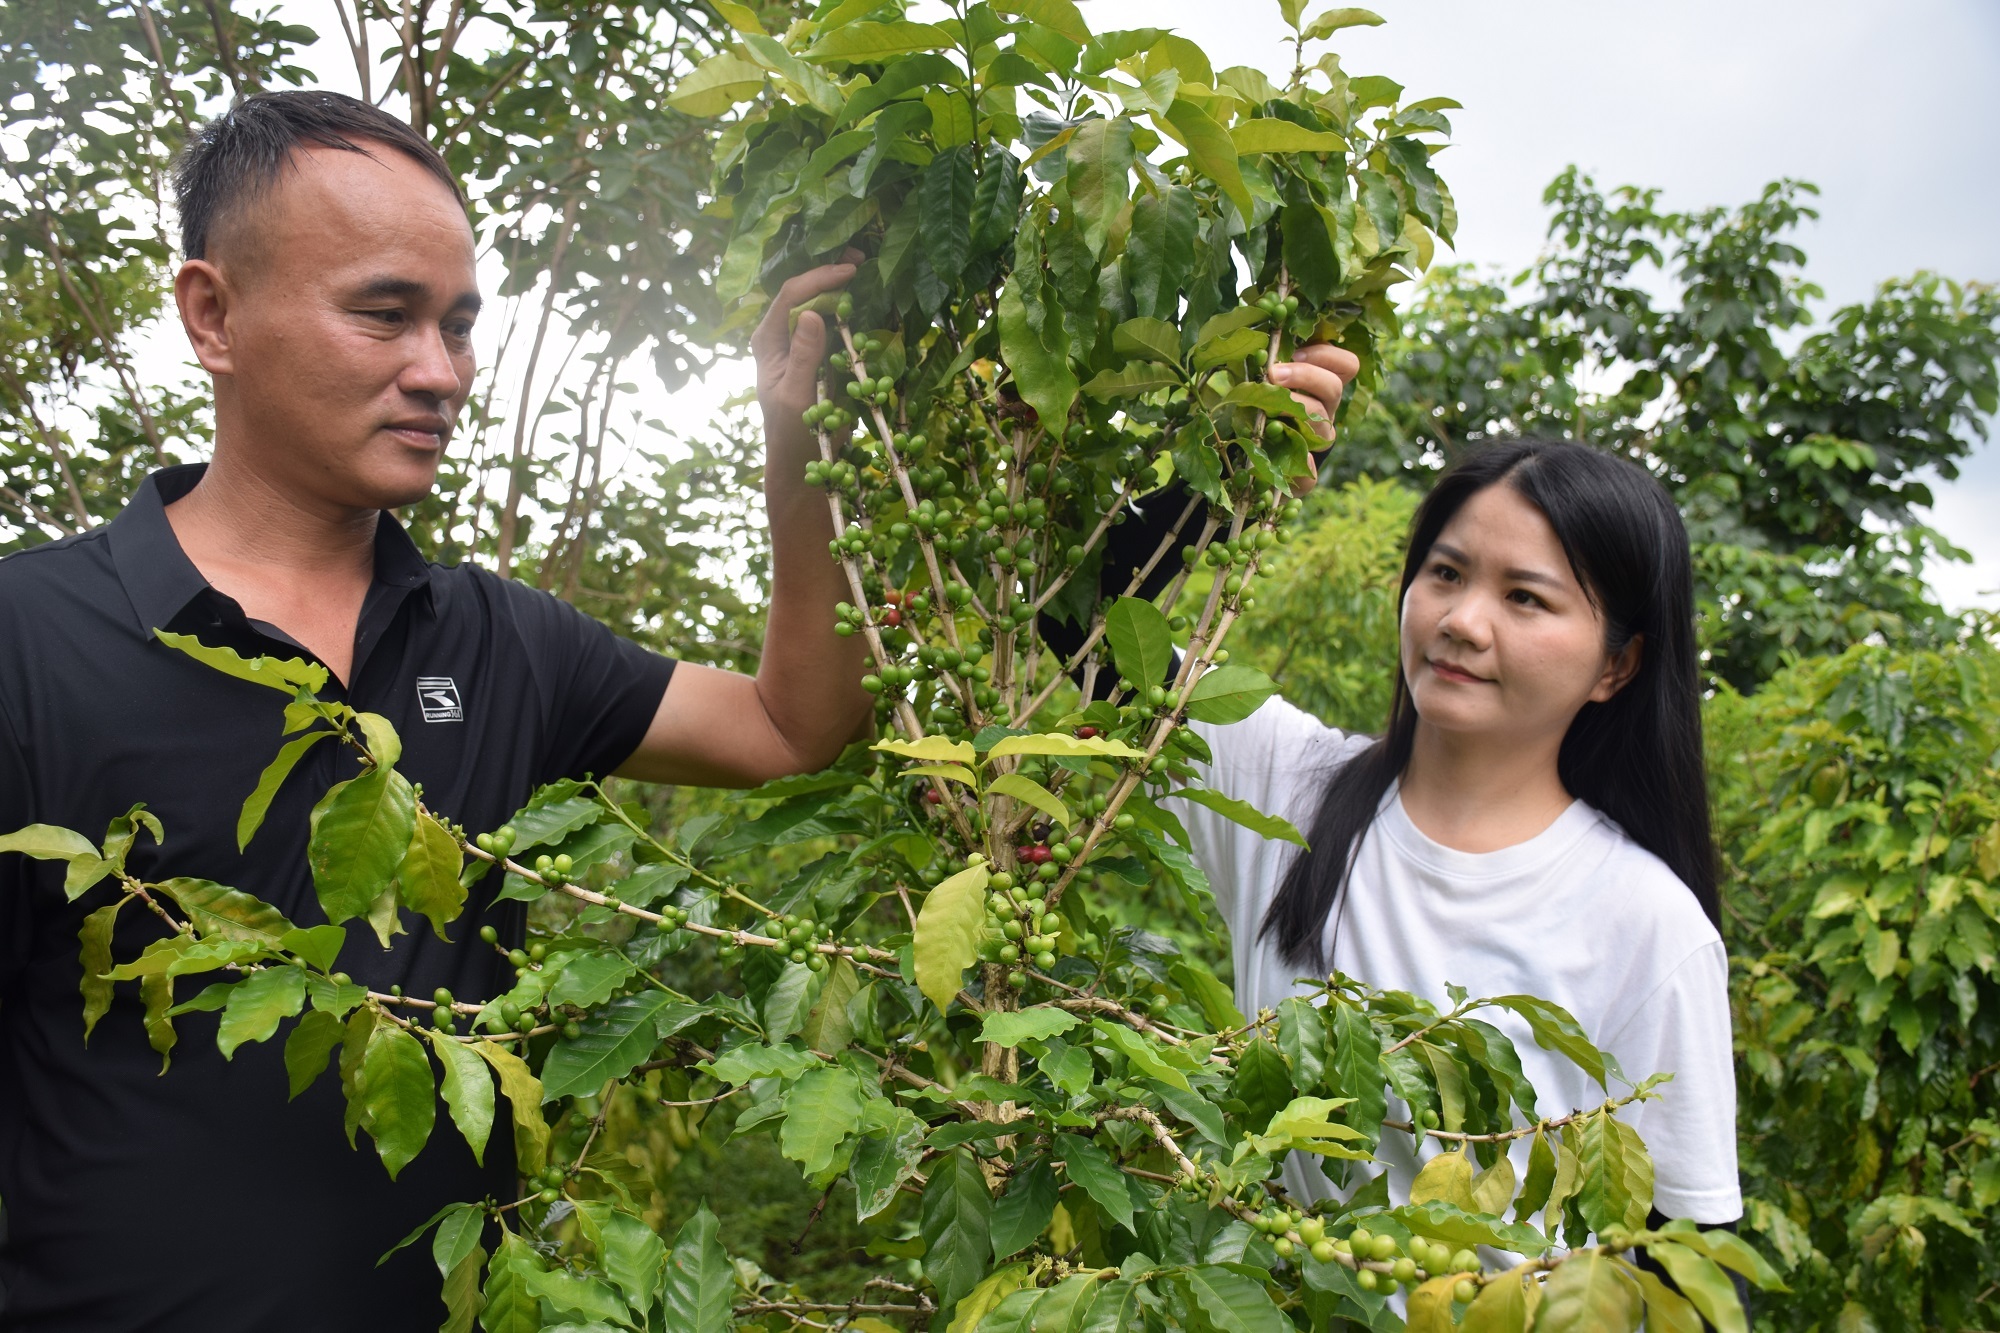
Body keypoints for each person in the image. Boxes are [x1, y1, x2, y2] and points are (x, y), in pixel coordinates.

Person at [0, 92, 868, 1330]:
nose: (441, 372)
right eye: (384, 314)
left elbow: (793, 726)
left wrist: (796, 440)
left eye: (459, 326)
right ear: (213, 314)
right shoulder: (27, 641)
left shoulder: (499, 638)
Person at [1170, 419, 1741, 1232]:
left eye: (1525, 596)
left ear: (1616, 664)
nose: (1464, 621)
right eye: (1446, 572)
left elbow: (1686, 1255)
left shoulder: (1648, 923)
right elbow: (1084, 615)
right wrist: (1236, 466)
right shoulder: (1284, 786)